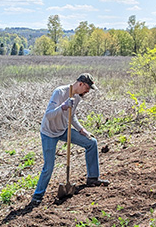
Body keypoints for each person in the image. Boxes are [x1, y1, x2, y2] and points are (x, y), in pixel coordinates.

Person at [31, 73, 109, 205]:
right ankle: (37, 196)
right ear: (80, 84)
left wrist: (81, 130)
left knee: (91, 143)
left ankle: (93, 178)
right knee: (49, 166)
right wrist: (63, 106)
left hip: (63, 129)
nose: (88, 91)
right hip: (49, 132)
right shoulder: (59, 92)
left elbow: (71, 117)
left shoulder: (77, 97)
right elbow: (49, 115)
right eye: (87, 88)